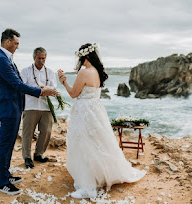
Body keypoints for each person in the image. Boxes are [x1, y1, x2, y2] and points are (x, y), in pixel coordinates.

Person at [57, 43, 146, 199]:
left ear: (85, 56)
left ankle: (88, 185)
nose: (80, 61)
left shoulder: (84, 73)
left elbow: (73, 94)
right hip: (96, 111)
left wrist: (63, 81)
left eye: (80, 58)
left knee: (84, 145)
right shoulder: (98, 72)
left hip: (84, 112)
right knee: (97, 144)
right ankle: (101, 175)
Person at [0, 28, 58, 195]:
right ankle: (3, 182)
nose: (17, 47)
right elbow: (17, 84)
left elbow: (17, 83)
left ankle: (5, 174)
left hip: (13, 107)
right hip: (8, 107)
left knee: (9, 143)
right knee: (5, 144)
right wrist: (41, 92)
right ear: (7, 42)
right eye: (16, 43)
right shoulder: (1, 60)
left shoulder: (6, 58)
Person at [20, 47, 57, 168]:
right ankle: (27, 157)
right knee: (28, 133)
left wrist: (46, 91)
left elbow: (53, 89)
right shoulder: (25, 71)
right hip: (30, 106)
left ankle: (39, 154)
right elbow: (22, 87)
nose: (41, 60)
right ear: (34, 57)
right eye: (39, 58)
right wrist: (41, 90)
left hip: (46, 107)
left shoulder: (50, 72)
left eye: (43, 58)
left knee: (46, 131)